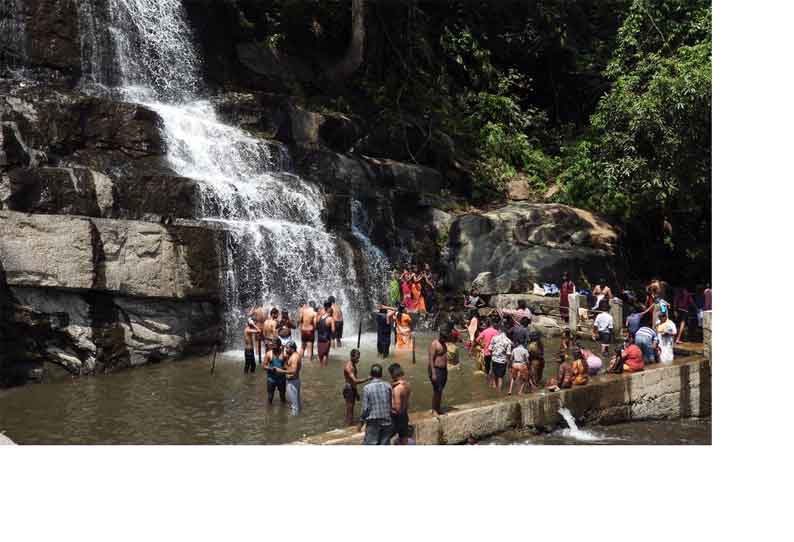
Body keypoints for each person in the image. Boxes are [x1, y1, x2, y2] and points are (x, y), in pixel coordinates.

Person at [358, 364, 393, 445]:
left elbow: (365, 408)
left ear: (371, 375)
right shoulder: (388, 386)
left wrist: (361, 422)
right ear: (381, 374)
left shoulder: (367, 388)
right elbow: (391, 404)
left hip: (373, 423)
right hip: (387, 421)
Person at [272, 340, 301, 415]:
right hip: (293, 381)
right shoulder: (292, 355)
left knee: (294, 405)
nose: (286, 350)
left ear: (292, 348)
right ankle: (297, 418)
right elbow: (289, 366)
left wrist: (280, 371)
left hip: (293, 382)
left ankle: (294, 421)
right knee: (296, 403)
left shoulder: (294, 357)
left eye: (287, 348)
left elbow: (293, 371)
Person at [343, 349, 370, 425]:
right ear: (352, 357)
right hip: (349, 389)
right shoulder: (349, 367)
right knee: (350, 409)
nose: (358, 359)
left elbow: (353, 382)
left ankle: (349, 424)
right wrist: (367, 379)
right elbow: (354, 381)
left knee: (351, 409)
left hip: (352, 388)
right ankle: (348, 425)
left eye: (359, 357)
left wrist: (356, 392)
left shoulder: (353, 364)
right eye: (357, 358)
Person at [389, 363, 412, 444]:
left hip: (396, 418)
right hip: (404, 415)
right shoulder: (407, 385)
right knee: (404, 440)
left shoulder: (397, 389)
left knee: (384, 437)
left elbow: (397, 408)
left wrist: (390, 410)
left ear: (393, 374)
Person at [428, 328, 449, 414]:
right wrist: (433, 373)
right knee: (437, 390)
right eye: (443, 338)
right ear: (440, 336)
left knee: (440, 390)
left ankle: (438, 408)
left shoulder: (444, 344)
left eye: (445, 338)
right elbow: (431, 359)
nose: (444, 340)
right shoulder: (434, 344)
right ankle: (434, 409)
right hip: (436, 369)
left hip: (443, 370)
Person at [489, 322, 512, 391]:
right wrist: (508, 361)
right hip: (502, 361)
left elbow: (490, 349)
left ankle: (493, 385)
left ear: (500, 330)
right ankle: (498, 391)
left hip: (494, 359)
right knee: (500, 377)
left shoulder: (494, 338)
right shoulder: (508, 341)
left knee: (493, 372)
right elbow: (508, 354)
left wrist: (493, 355)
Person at [476, 317, 499, 385]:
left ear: (486, 324)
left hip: (486, 352)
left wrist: (482, 344)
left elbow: (477, 340)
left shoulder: (484, 331)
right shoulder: (496, 331)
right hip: (494, 352)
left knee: (487, 368)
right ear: (491, 324)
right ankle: (494, 383)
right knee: (494, 367)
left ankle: (487, 381)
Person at [315, 302, 335, 367]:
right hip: (326, 339)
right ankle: (325, 368)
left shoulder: (319, 317)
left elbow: (316, 326)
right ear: (331, 312)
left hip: (319, 339)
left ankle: (320, 367)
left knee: (320, 355)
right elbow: (333, 330)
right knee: (325, 355)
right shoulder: (331, 319)